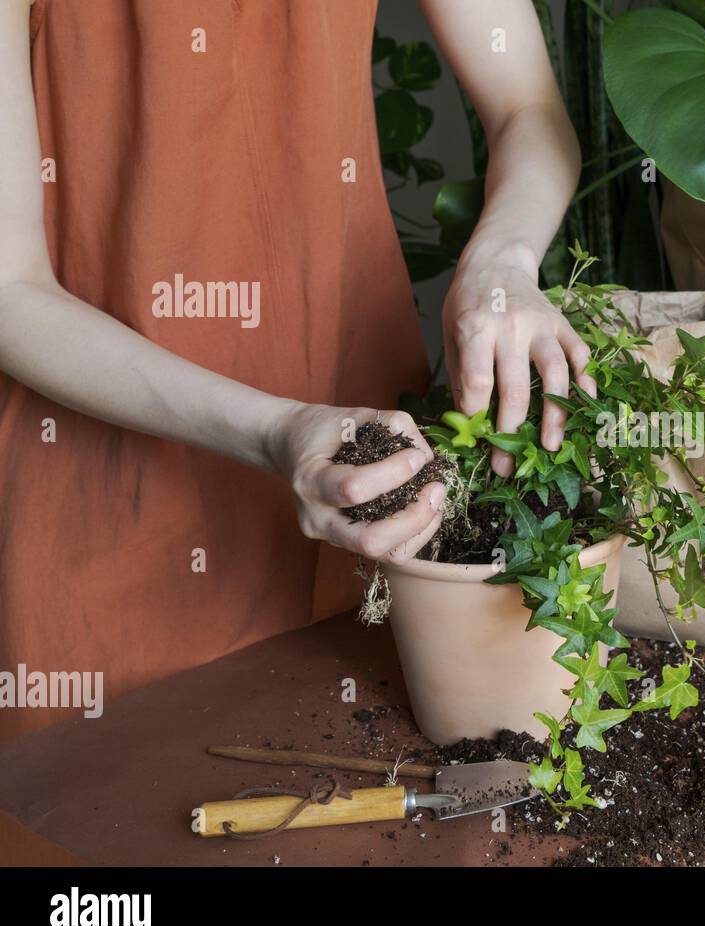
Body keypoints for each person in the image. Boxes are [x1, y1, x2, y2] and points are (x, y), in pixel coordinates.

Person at [0, 0, 588, 738]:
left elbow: (529, 107)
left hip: (369, 493)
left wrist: (501, 259)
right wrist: (276, 431)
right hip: (110, 508)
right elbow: (8, 287)